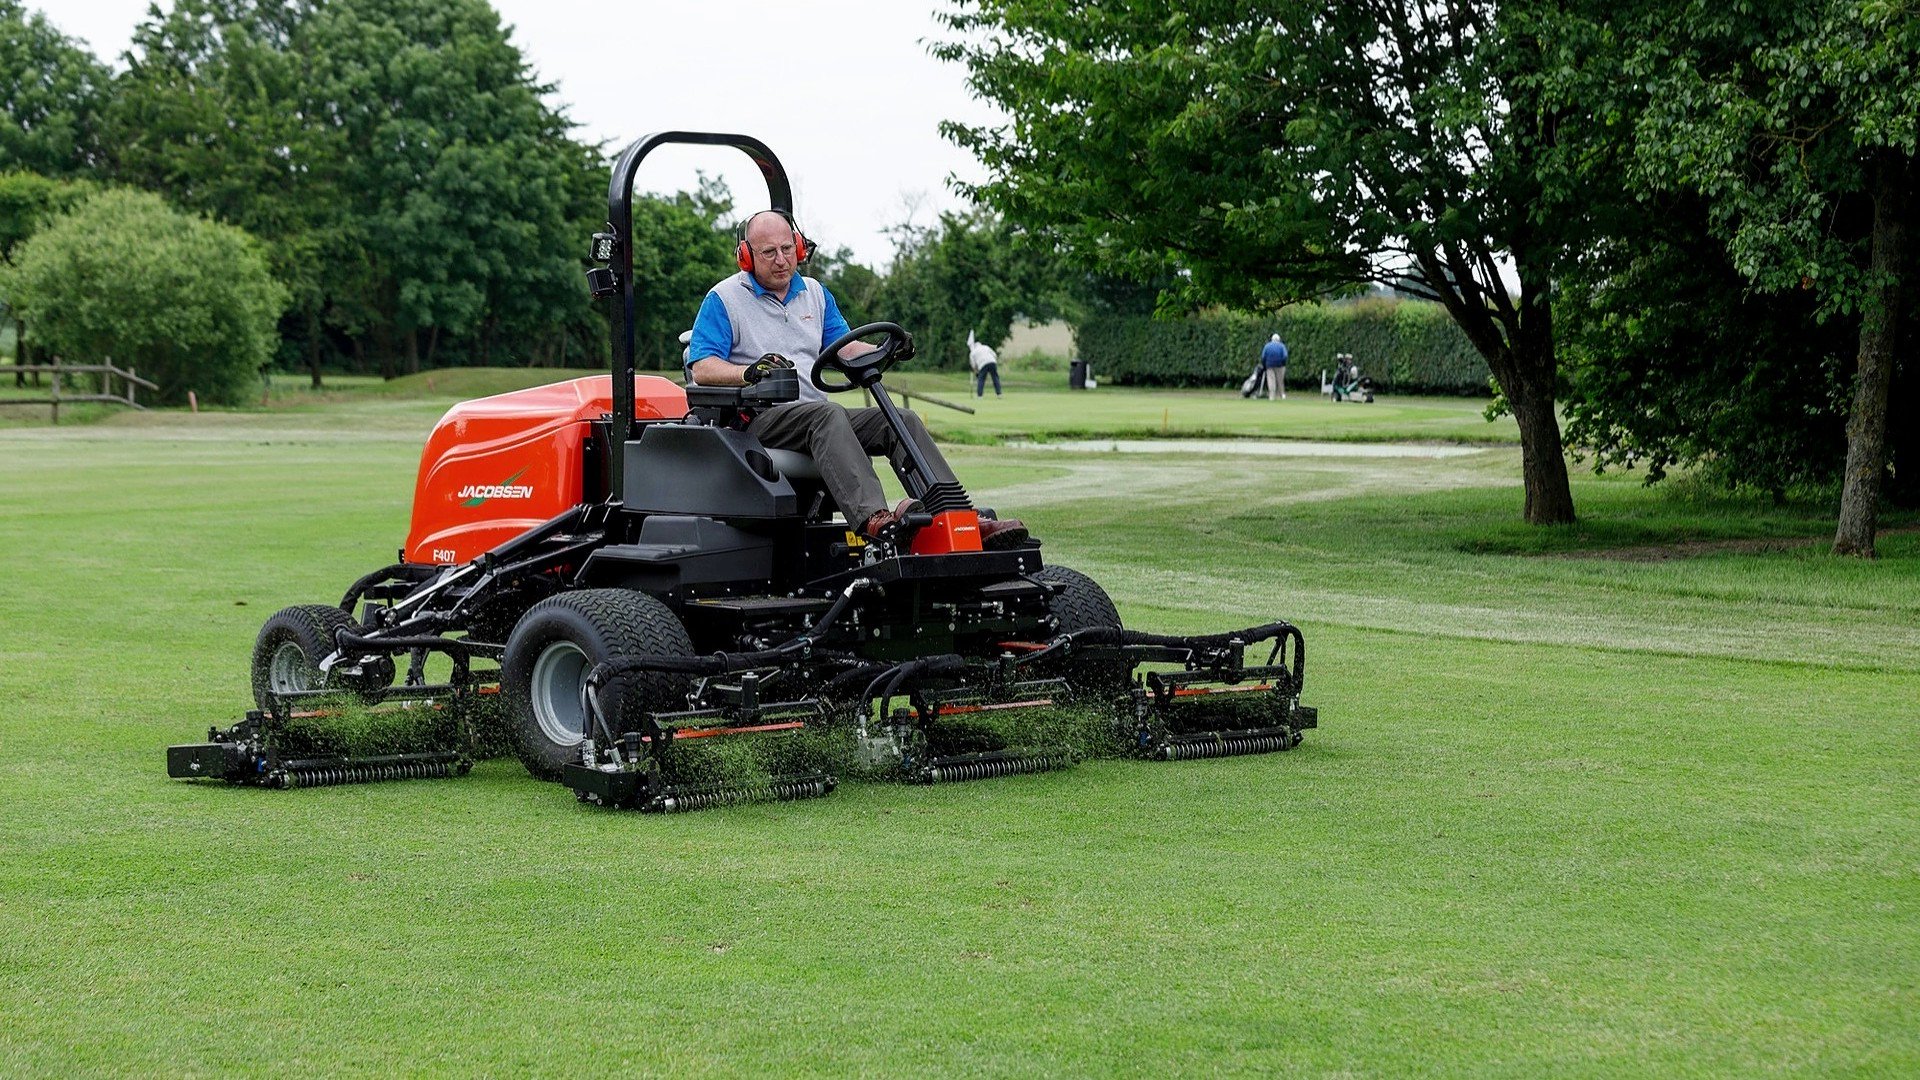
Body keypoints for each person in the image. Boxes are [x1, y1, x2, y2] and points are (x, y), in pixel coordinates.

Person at [687, 209, 1027, 548]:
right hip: (759, 419)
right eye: (769, 252)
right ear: (746, 256)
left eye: (787, 249)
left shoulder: (815, 294)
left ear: (799, 248)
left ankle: (958, 519)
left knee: (900, 420)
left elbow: (844, 348)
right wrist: (747, 373)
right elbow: (702, 366)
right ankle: (874, 519)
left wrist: (887, 347)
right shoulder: (725, 299)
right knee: (828, 414)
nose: (781, 260)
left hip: (812, 415)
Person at [967, 330, 1002, 397]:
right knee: (995, 377)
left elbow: (973, 365)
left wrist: (977, 372)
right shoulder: (986, 347)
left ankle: (980, 395)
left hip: (983, 364)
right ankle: (999, 393)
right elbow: (994, 355)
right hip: (992, 362)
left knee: (981, 379)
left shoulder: (973, 352)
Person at [1260, 333, 1289, 400]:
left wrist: (1264, 365)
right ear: (1279, 339)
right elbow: (1285, 356)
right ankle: (1282, 395)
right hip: (1280, 365)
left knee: (1271, 380)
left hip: (1269, 365)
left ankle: (1272, 396)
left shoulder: (1267, 346)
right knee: (1280, 381)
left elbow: (1263, 357)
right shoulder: (1282, 346)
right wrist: (1283, 363)